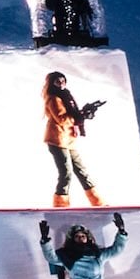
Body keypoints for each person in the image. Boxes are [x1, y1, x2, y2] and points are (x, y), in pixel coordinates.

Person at [43, 71, 106, 208]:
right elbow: (62, 119)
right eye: (57, 82)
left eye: (63, 81)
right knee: (66, 173)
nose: (61, 84)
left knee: (81, 170)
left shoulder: (66, 96)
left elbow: (73, 115)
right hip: (57, 139)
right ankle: (61, 205)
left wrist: (82, 114)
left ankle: (98, 202)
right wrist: (81, 115)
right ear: (52, 83)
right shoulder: (54, 99)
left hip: (68, 139)